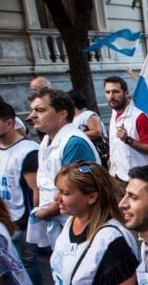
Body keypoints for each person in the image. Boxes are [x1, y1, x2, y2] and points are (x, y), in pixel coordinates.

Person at [0, 101, 44, 285]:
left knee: (26, 261)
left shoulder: (28, 152)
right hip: (4, 218)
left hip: (21, 222)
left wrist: (27, 226)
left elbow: (37, 192)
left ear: (9, 124)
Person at [27, 87, 99, 249]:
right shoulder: (46, 140)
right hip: (61, 221)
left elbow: (75, 189)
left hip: (78, 224)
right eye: (32, 110)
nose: (31, 116)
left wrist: (46, 212)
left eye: (40, 110)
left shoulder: (74, 143)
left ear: (62, 114)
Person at [104, 77, 148, 191]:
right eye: (108, 92)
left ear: (126, 93)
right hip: (116, 177)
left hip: (135, 181)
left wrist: (128, 140)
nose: (111, 96)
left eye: (115, 92)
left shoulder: (139, 117)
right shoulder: (114, 113)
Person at [70, 90, 108, 160]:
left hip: (97, 155)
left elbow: (97, 132)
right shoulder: (72, 120)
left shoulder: (87, 114)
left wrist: (75, 135)